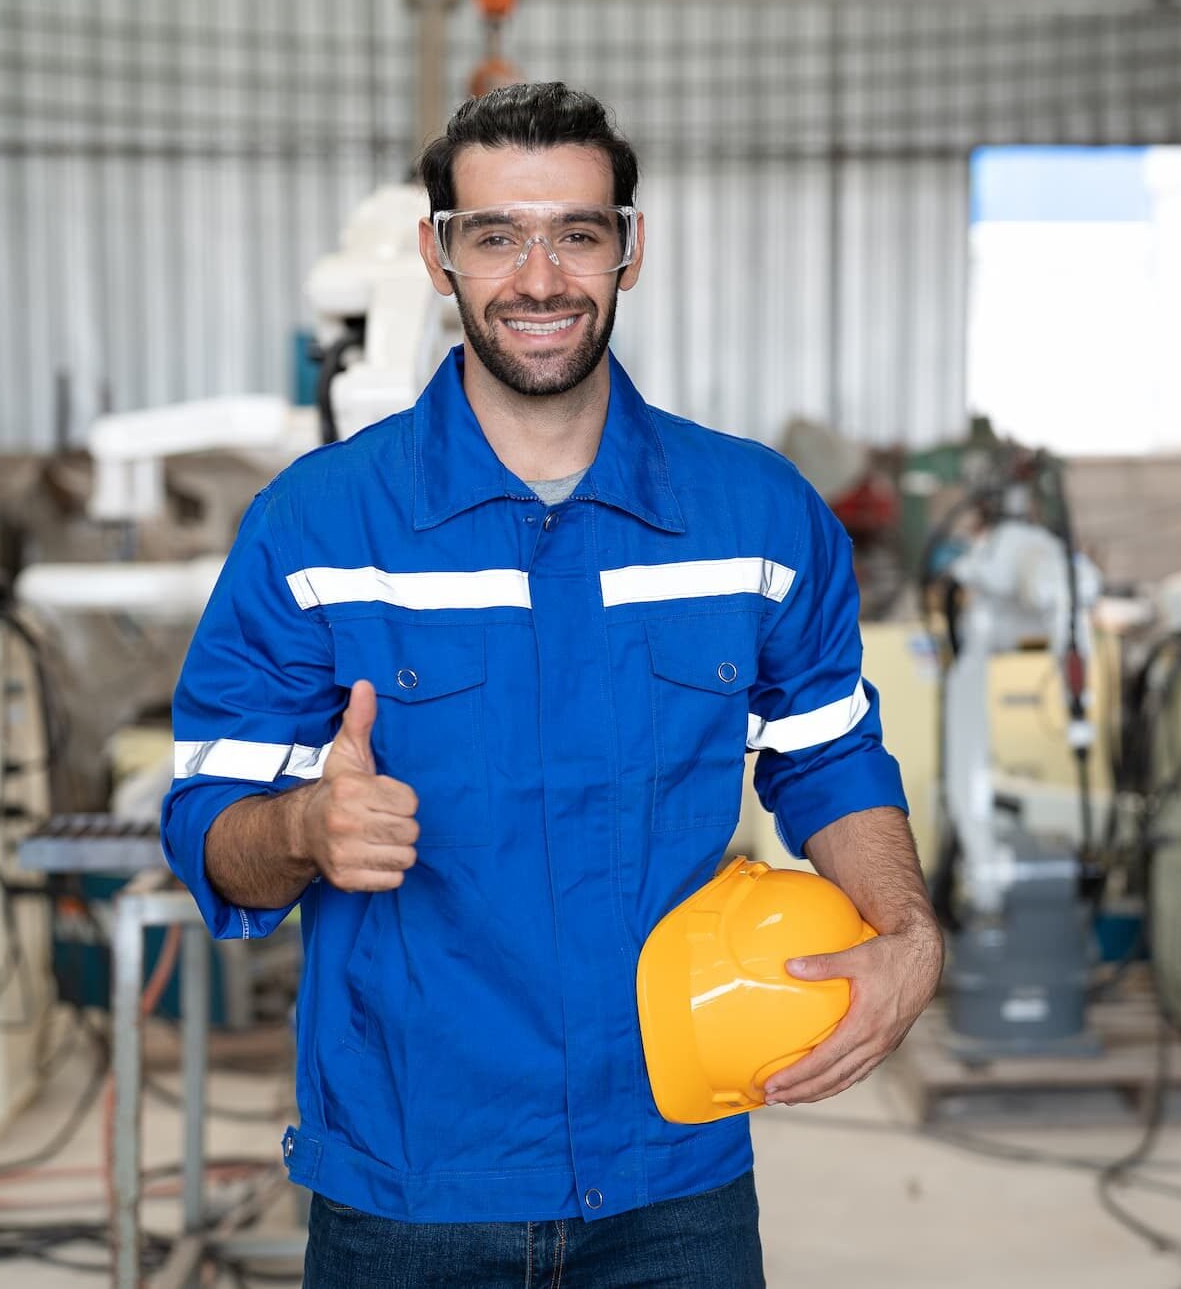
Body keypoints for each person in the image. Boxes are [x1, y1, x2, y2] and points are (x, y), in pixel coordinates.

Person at [163, 81, 944, 1288]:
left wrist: (907, 933)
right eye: (496, 236)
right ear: (439, 256)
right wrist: (306, 827)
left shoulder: (754, 515)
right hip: (411, 1183)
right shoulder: (317, 527)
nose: (539, 278)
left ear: (629, 247)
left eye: (576, 233)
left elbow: (828, 755)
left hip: (672, 1168)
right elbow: (210, 834)